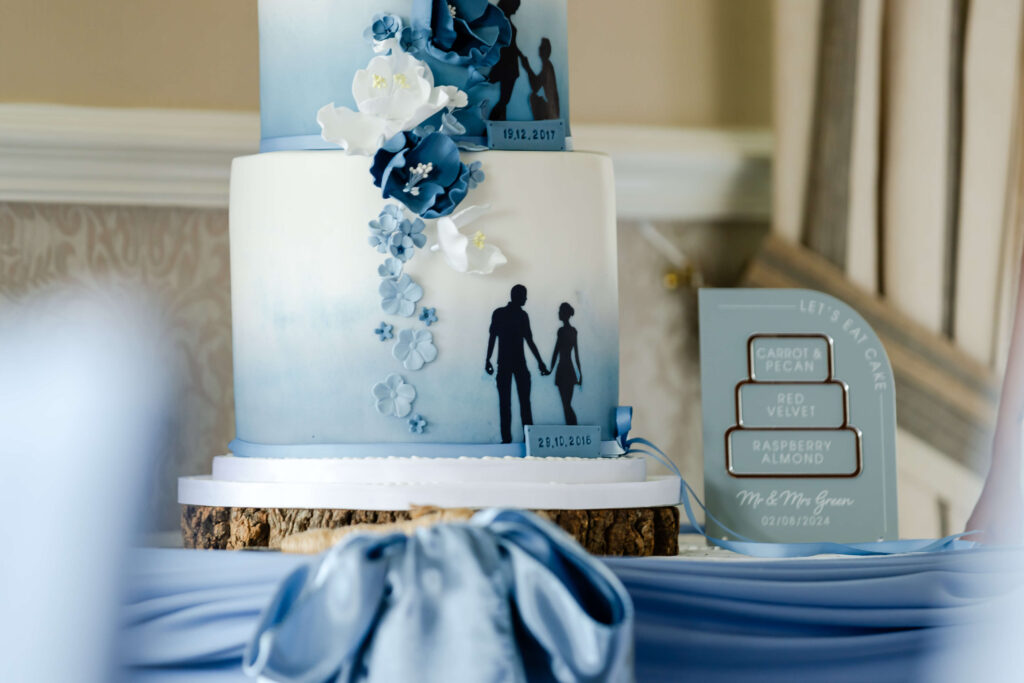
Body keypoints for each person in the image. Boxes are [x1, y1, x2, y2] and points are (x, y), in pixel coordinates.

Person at [485, 284, 549, 443]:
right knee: (522, 404)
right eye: (524, 296)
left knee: (507, 404)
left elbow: (493, 338)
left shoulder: (503, 314)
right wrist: (487, 359)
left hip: (510, 364)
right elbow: (529, 341)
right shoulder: (518, 315)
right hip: (516, 364)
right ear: (517, 296)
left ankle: (514, 440)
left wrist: (488, 359)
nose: (526, 299)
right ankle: (524, 440)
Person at [487, 0, 523, 121]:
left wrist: (521, 55)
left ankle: (500, 123)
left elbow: (511, 45)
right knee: (504, 99)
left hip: (510, 64)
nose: (517, 9)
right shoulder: (502, 23)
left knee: (505, 99)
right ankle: (493, 125)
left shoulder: (505, 22)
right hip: (506, 65)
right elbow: (503, 45)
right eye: (516, 5)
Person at [548, 302, 581, 425]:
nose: (558, 313)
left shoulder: (562, 331)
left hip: (562, 370)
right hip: (570, 370)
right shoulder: (573, 331)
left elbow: (556, 351)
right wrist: (580, 374)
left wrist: (550, 369)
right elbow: (576, 354)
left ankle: (573, 427)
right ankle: (572, 427)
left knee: (565, 404)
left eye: (560, 311)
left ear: (564, 314)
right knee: (567, 404)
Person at [520, 37, 560, 120]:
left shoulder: (547, 66)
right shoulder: (547, 65)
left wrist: (527, 68)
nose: (539, 48)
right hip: (552, 109)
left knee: (533, 97)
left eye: (542, 47)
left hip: (552, 112)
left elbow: (535, 86)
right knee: (533, 97)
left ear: (546, 51)